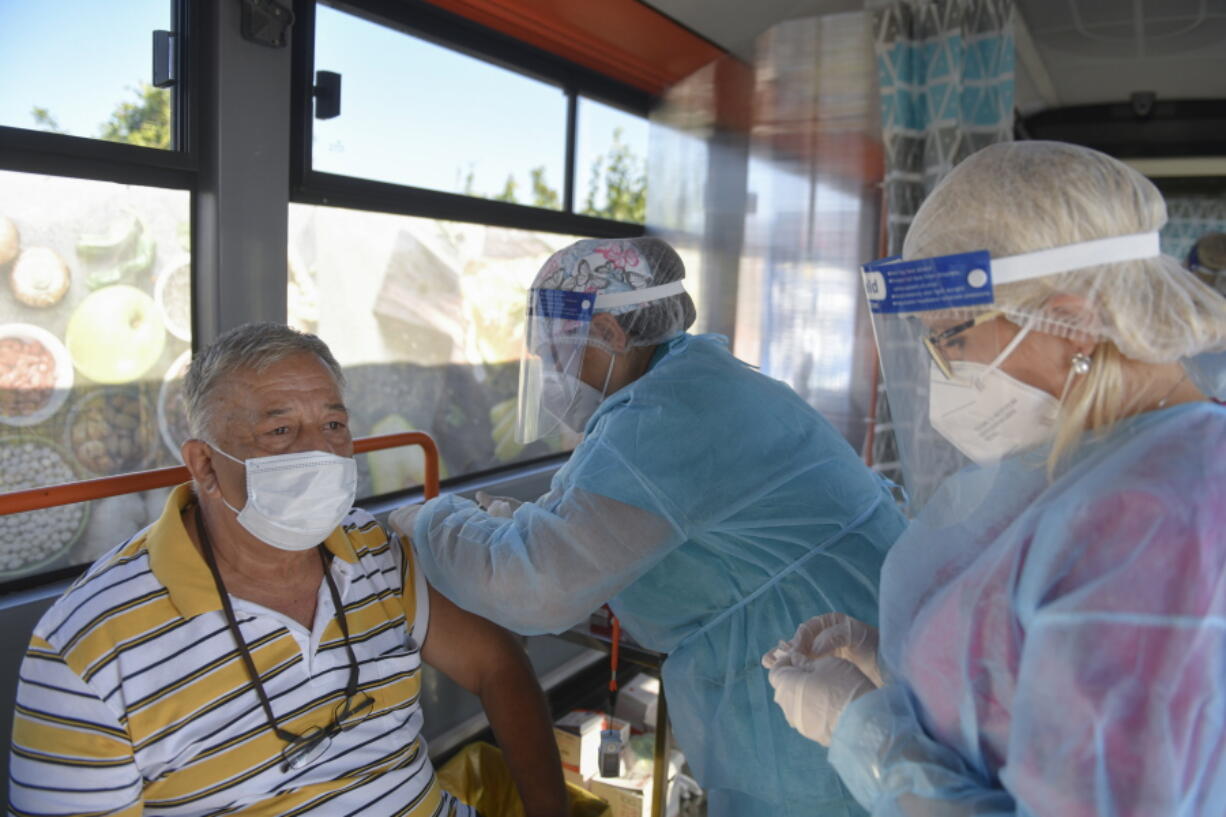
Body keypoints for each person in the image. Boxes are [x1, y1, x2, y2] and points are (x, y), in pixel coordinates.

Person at [764, 141, 1226, 816]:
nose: (945, 375)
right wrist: (895, 670)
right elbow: (1031, 684)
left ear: (1068, 321)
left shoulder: (1162, 512)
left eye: (953, 340)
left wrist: (866, 733)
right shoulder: (1091, 460)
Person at [391, 237, 907, 817]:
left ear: (611, 334)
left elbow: (536, 586)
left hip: (809, 674)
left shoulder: (664, 418)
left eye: (559, 353)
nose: (553, 373)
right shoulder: (694, 380)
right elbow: (610, 517)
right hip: (850, 634)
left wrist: (429, 517)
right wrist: (515, 524)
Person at [9, 323, 567, 817]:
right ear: (204, 463)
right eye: (280, 432)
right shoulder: (86, 646)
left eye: (333, 425)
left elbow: (497, 665)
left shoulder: (373, 551)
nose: (320, 454)